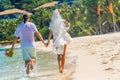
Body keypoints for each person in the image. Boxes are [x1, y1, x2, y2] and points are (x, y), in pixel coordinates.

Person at [46, 9, 72, 73]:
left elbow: (50, 32)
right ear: (58, 15)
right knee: (63, 54)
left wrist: (48, 41)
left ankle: (59, 67)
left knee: (58, 55)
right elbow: (68, 25)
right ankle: (62, 69)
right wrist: (69, 24)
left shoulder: (51, 23)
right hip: (63, 38)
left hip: (56, 40)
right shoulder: (61, 20)